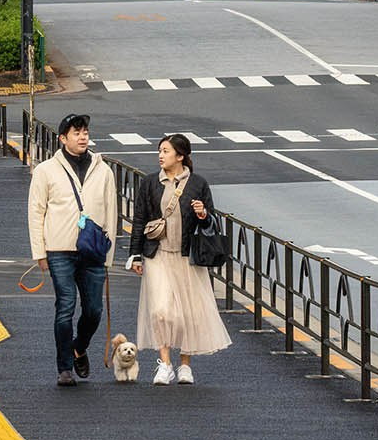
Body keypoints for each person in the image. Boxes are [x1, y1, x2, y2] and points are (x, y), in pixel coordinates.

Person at [126, 132, 232, 384]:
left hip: (187, 257)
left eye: (165, 151)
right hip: (158, 254)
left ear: (180, 156)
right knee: (161, 311)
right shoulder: (151, 183)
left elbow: (211, 220)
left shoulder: (198, 184)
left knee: (187, 314)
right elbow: (139, 219)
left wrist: (203, 214)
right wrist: (136, 254)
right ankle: (165, 363)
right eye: (160, 151)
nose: (160, 155)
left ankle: (185, 365)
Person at [27, 111, 119, 387]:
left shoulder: (103, 170)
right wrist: (39, 253)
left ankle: (79, 347)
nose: (82, 137)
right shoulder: (46, 171)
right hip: (59, 250)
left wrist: (108, 256)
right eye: (76, 133)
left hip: (93, 251)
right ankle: (65, 367)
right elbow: (36, 212)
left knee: (93, 311)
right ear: (62, 138)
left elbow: (111, 213)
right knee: (65, 306)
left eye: (85, 133)